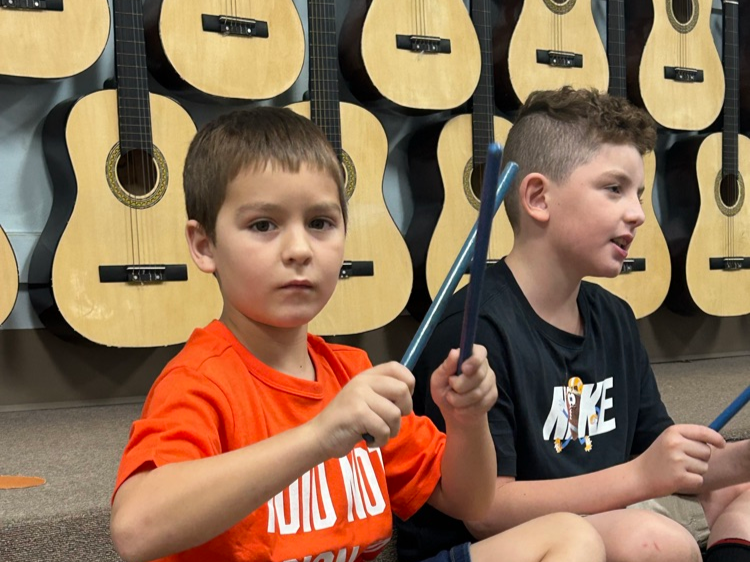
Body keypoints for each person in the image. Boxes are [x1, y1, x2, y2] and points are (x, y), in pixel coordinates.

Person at [109, 106, 606, 562]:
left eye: (321, 222)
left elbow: (472, 500)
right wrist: (318, 437)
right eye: (263, 225)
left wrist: (468, 421)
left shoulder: (351, 372)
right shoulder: (200, 380)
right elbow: (136, 530)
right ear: (204, 245)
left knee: (569, 536)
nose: (299, 249)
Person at [396, 86, 750, 562]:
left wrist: (739, 458)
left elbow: (663, 461)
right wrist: (639, 478)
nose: (639, 214)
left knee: (740, 489)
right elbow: (486, 509)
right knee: (655, 542)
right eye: (614, 189)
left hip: (599, 514)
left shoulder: (615, 316)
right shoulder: (474, 328)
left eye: (640, 194)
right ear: (539, 197)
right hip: (505, 541)